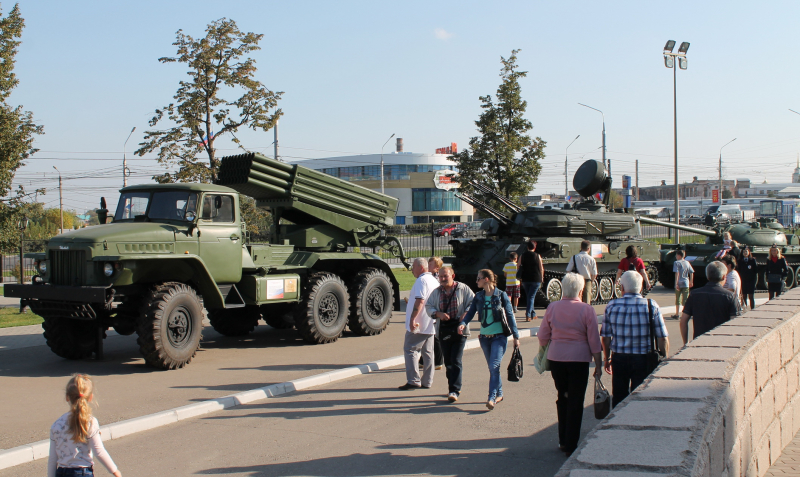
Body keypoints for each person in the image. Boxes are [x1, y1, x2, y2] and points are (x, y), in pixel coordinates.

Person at [538, 273, 603, 456]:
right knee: (576, 401)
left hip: (557, 359)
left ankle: (562, 439)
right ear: (581, 290)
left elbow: (543, 336)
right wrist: (598, 364)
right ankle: (571, 444)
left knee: (563, 397)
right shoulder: (587, 310)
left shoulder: (552, 307)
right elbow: (594, 341)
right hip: (579, 360)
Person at [601, 271, 669, 408]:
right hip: (644, 359)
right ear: (641, 287)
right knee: (640, 397)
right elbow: (662, 337)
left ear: (622, 288)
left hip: (619, 358)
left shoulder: (612, 306)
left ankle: (617, 424)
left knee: (619, 397)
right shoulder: (651, 305)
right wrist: (665, 357)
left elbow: (606, 337)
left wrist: (607, 358)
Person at [459, 269, 520, 410]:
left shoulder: (501, 295)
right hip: (484, 338)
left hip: (499, 337)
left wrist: (516, 336)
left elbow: (510, 316)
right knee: (493, 369)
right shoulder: (479, 296)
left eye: (478, 278)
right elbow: (471, 312)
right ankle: (500, 393)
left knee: (494, 366)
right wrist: (463, 323)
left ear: (486, 279)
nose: (476, 281)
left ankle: (491, 397)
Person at [48, 374, 122, 477]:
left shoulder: (57, 425)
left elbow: (52, 458)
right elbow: (99, 452)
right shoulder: (90, 422)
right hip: (82, 472)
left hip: (62, 472)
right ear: (90, 397)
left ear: (67, 397)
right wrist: (115, 471)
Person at [425, 266, 475, 403]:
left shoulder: (463, 289)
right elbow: (428, 306)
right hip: (444, 330)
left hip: (460, 329)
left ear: (452, 276)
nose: (442, 279)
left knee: (456, 360)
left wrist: (466, 314)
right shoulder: (436, 292)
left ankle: (455, 390)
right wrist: (438, 314)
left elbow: (474, 302)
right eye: (440, 276)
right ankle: (451, 387)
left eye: (445, 276)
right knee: (448, 361)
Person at [399, 257, 439, 390]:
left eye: (413, 267)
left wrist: (412, 319)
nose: (412, 270)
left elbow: (420, 300)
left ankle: (413, 380)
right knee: (428, 352)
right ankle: (427, 381)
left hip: (419, 323)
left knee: (410, 349)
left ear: (421, 267)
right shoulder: (433, 280)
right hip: (430, 321)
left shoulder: (421, 280)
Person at [680, 261, 741, 345]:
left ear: (707, 277)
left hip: (699, 343)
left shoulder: (694, 294)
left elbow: (683, 321)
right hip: (722, 344)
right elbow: (735, 324)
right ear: (724, 277)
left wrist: (685, 343)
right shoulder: (730, 296)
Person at [426, 256, 445, 370]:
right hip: (430, 308)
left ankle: (438, 361)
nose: (428, 266)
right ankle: (424, 360)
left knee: (434, 335)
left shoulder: (437, 278)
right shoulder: (429, 277)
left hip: (435, 308)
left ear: (437, 268)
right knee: (427, 333)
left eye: (431, 265)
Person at [518, 240, 544, 321]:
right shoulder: (537, 256)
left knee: (529, 296)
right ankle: (528, 314)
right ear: (535, 247)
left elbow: (518, 266)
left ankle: (533, 314)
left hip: (525, 278)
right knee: (531, 297)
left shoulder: (522, 255)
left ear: (527, 247)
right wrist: (542, 277)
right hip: (535, 278)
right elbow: (541, 268)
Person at [672, 250, 694, 319]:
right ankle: (685, 314)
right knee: (685, 299)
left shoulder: (676, 263)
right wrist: (691, 281)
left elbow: (677, 273)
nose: (676, 256)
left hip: (679, 282)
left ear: (679, 255)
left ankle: (677, 313)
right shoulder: (687, 263)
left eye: (676, 255)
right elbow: (691, 272)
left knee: (678, 298)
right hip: (686, 282)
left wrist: (676, 283)